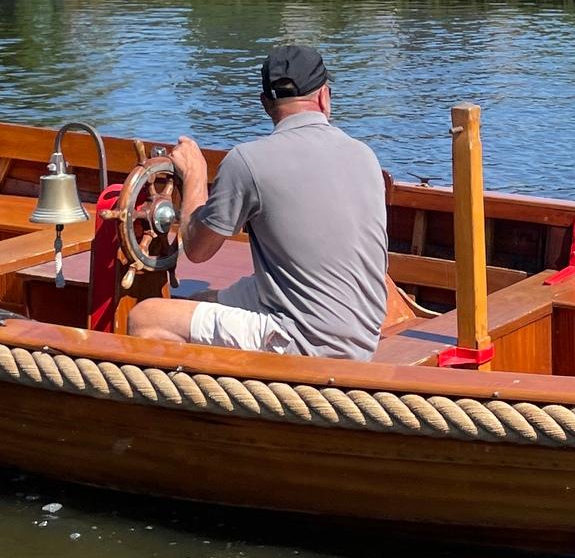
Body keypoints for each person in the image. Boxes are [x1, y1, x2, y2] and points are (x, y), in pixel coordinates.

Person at [128, 43, 390, 360]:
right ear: (324, 96)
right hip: (364, 335)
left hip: (308, 343)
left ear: (265, 104)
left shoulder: (247, 161)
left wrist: (195, 173)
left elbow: (197, 250)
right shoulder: (365, 157)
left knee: (146, 318)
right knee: (200, 301)